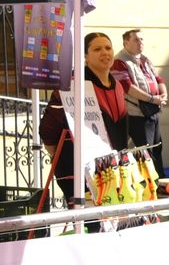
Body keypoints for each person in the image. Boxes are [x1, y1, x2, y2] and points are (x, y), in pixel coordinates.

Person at [39, 32, 130, 201]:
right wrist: (56, 156)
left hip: (111, 170)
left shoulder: (116, 85)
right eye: (97, 49)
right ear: (85, 56)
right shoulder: (73, 85)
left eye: (108, 48)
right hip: (77, 172)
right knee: (90, 224)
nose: (105, 52)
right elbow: (47, 129)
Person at [114, 28, 167, 176]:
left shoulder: (145, 59)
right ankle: (148, 186)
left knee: (157, 149)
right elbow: (127, 87)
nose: (140, 43)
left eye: (142, 39)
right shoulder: (119, 61)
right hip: (137, 114)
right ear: (126, 42)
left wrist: (163, 94)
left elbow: (158, 79)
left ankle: (159, 182)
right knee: (145, 153)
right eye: (136, 40)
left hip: (153, 111)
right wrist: (152, 99)